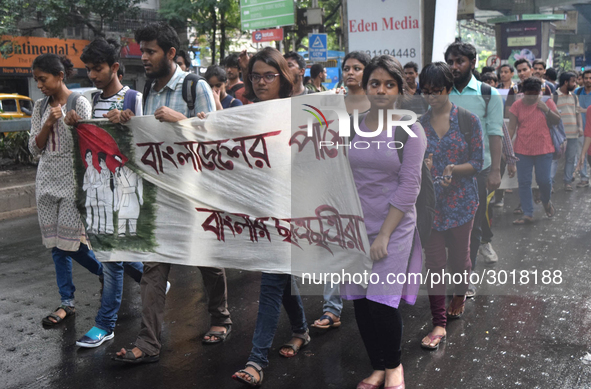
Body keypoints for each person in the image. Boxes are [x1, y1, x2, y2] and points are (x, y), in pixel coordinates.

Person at [113, 22, 232, 364]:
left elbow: (218, 140)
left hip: (196, 193)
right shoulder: (148, 88)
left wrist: (182, 120)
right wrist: (129, 121)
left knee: (205, 261)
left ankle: (221, 318)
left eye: (150, 51)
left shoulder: (196, 87)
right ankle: (148, 342)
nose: (144, 57)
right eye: (142, 51)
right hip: (161, 192)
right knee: (154, 267)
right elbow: (150, 137)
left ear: (170, 53)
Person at [340, 55, 425, 389]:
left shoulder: (410, 131)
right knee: (361, 300)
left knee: (382, 303)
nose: (381, 90)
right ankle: (377, 365)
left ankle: (394, 368)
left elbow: (409, 188)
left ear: (399, 90)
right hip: (355, 227)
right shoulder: (350, 125)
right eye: (375, 83)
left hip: (394, 227)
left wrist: (384, 235)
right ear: (366, 86)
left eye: (389, 84)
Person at [231, 47, 308, 387]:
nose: (261, 82)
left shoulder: (299, 112)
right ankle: (301, 330)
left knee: (272, 281)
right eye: (255, 76)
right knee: (280, 278)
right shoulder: (246, 114)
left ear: (284, 78)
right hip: (263, 210)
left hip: (293, 210)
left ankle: (257, 359)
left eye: (269, 75)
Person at [66, 36, 147, 348]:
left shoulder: (133, 99)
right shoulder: (94, 102)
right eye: (88, 69)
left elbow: (146, 142)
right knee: (115, 255)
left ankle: (105, 324)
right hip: (99, 191)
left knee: (112, 259)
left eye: (97, 68)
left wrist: (131, 123)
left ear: (114, 67)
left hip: (125, 188)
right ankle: (154, 280)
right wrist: (77, 123)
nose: (92, 75)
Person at [29, 53, 103, 327]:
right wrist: (49, 122)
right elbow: (34, 149)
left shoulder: (79, 103)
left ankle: (103, 271)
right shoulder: (39, 108)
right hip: (46, 181)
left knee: (70, 243)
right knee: (56, 247)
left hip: (73, 182)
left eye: (43, 79)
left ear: (60, 76)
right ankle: (66, 303)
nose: (39, 85)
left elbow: (89, 145)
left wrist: (72, 124)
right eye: (36, 80)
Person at [418, 62, 483, 350]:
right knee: (434, 265)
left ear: (448, 89)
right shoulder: (417, 126)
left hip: (461, 204)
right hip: (430, 208)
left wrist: (453, 170)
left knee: (460, 260)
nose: (432, 97)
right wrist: (425, 167)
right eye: (426, 91)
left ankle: (459, 293)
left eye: (438, 91)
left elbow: (478, 163)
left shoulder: (468, 121)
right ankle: (438, 322)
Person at [445, 42, 504, 291]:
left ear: (472, 62)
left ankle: (465, 280)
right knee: (446, 227)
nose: (455, 66)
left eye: (460, 61)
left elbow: (495, 133)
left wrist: (495, 170)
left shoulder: (487, 93)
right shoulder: (440, 92)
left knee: (472, 227)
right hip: (445, 172)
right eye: (451, 61)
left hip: (478, 172)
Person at [507, 77, 559, 224]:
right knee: (524, 182)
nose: (531, 97)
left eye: (534, 94)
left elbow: (558, 120)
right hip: (522, 149)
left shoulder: (547, 102)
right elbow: (511, 128)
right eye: (528, 94)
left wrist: (547, 110)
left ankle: (546, 201)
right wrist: (507, 148)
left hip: (544, 148)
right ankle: (528, 213)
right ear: (523, 93)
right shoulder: (517, 105)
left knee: (544, 180)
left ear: (539, 92)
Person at [552, 72, 583, 191]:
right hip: (559, 135)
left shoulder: (574, 97)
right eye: (573, 81)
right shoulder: (554, 96)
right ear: (565, 82)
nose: (575, 84)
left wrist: (580, 127)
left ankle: (567, 181)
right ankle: (551, 183)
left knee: (570, 158)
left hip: (573, 134)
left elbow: (578, 113)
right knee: (555, 159)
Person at [574, 69, 591, 187]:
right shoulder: (577, 92)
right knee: (582, 153)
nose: (588, 80)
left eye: (590, 78)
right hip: (581, 129)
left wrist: (585, 110)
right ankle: (584, 178)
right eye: (586, 78)